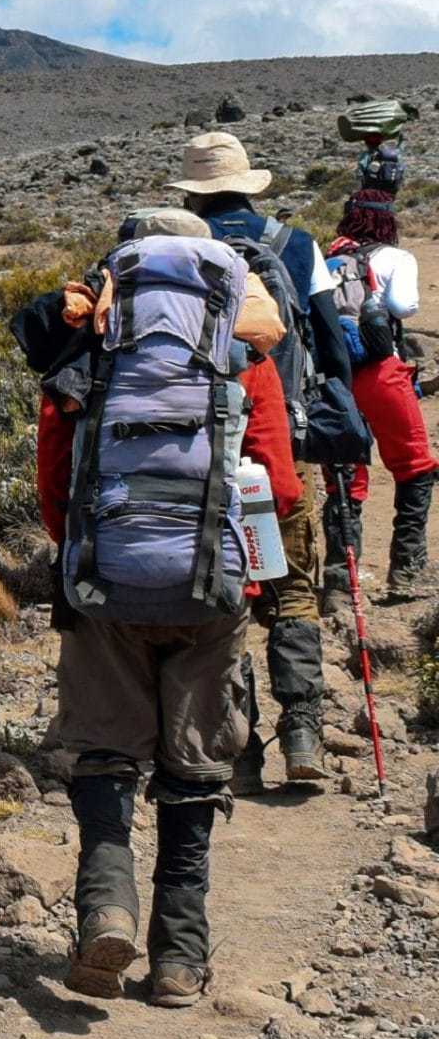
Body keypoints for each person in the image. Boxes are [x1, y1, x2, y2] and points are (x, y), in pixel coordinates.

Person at [33, 209, 259, 1006]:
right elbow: (280, 488)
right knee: (194, 769)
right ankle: (179, 960)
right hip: (209, 595)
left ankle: (106, 911)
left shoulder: (88, 359)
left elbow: (54, 483)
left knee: (104, 756)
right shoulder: (241, 356)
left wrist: (85, 558)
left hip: (104, 588)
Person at [163, 130, 336, 788]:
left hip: (197, 455)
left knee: (227, 591)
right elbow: (328, 342)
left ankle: (242, 751)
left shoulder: (176, 258)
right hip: (280, 444)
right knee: (293, 590)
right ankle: (302, 734)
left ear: (192, 192)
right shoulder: (296, 246)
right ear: (250, 183)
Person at [324, 183, 437, 606]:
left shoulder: (329, 257)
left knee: (345, 479)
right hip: (382, 371)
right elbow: (405, 305)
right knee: (413, 467)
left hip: (336, 378)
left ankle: (339, 583)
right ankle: (405, 574)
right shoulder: (396, 257)